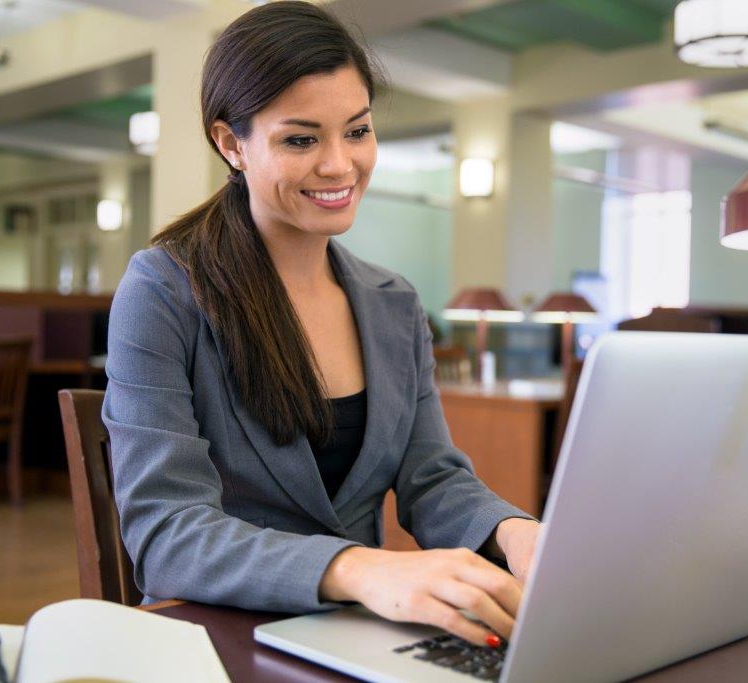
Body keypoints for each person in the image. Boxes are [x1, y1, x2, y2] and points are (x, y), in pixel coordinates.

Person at [102, 1, 540, 648]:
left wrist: (515, 532)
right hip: (214, 642)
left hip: (355, 639)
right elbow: (168, 534)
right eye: (301, 139)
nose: (340, 165)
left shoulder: (395, 303)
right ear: (232, 144)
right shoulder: (163, 289)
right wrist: (357, 567)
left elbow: (432, 478)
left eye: (357, 131)